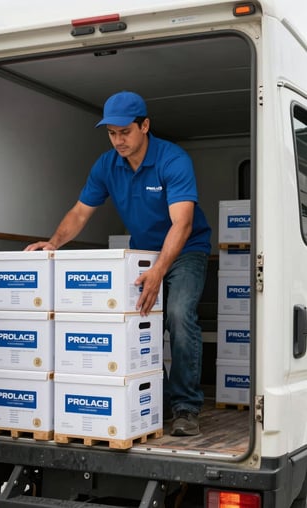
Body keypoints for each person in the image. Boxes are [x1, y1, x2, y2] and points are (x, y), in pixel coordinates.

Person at [25, 91, 211, 436]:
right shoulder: (107, 165)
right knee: (141, 325)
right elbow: (81, 212)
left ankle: (186, 407)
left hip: (186, 250)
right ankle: (159, 398)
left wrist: (159, 271)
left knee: (178, 316)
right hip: (142, 254)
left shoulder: (173, 159)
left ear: (145, 125)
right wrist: (53, 243)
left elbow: (182, 224)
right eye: (111, 133)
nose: (118, 140)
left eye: (125, 131)